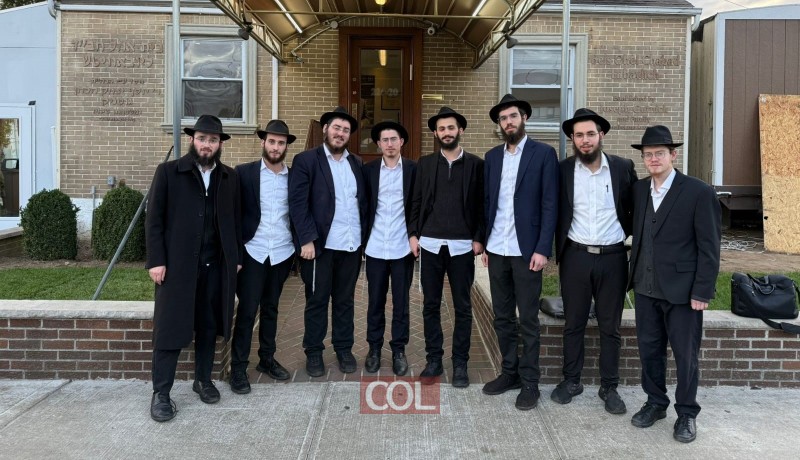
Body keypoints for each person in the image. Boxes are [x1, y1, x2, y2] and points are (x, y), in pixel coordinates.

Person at [627, 125, 721, 443]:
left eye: (659, 153)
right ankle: (655, 403)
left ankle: (686, 413)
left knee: (685, 355)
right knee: (649, 351)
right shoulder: (640, 190)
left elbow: (709, 247)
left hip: (684, 292)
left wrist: (702, 290)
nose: (653, 159)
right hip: (645, 287)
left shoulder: (698, 192)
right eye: (648, 154)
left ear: (673, 155)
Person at [145, 115, 242, 422]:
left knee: (208, 326)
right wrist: (156, 260)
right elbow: (154, 219)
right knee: (170, 329)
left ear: (220, 144)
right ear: (192, 140)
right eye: (202, 139)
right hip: (177, 269)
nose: (206, 145)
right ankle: (161, 393)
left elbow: (235, 221)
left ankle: (203, 380)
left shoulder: (229, 177)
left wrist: (235, 257)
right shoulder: (169, 172)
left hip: (215, 267)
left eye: (213, 140)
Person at [551, 108, 638, 414]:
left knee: (610, 327)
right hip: (575, 257)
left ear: (601, 135)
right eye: (579, 135)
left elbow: (635, 209)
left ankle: (609, 387)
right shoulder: (562, 170)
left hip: (613, 258)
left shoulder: (623, 168)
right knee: (573, 323)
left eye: (590, 134)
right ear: (572, 139)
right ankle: (571, 381)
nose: (585, 140)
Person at [480, 94, 558, 410]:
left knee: (527, 319)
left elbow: (550, 204)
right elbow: (488, 202)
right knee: (502, 317)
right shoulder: (492, 157)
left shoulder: (543, 154)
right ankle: (509, 373)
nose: (508, 122)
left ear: (524, 118)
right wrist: (485, 242)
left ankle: (530, 382)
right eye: (503, 119)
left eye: (513, 116)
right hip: (497, 248)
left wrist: (543, 249)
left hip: (527, 252)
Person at [408, 106, 484, 388]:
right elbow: (416, 201)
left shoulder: (476, 165)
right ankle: (434, 360)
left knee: (462, 307)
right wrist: (413, 234)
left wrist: (479, 237)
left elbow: (482, 205)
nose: (447, 132)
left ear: (460, 130)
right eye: (441, 129)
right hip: (430, 244)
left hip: (462, 247)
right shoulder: (426, 164)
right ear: (435, 133)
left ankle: (460, 363)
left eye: (451, 127)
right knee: (431, 305)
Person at [289, 107, 367, 377]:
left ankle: (344, 349)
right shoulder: (306, 160)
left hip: (351, 245)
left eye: (346, 130)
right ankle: (313, 351)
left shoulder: (356, 162)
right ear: (325, 129)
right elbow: (298, 204)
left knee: (345, 301)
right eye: (336, 128)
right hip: (319, 247)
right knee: (317, 301)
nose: (340, 133)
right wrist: (306, 239)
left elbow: (360, 203)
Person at [229, 120, 296, 394]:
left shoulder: (295, 177)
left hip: (282, 252)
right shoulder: (244, 173)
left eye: (281, 143)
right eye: (272, 142)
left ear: (286, 146)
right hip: (253, 252)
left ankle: (266, 359)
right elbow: (234, 216)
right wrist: (235, 254)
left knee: (271, 308)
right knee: (247, 311)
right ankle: (237, 368)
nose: (276, 147)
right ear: (263, 142)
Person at [362, 121, 417, 376]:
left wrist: (415, 235)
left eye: (394, 139)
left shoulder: (414, 170)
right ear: (378, 144)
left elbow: (418, 205)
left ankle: (398, 350)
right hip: (375, 246)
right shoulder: (368, 170)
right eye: (385, 140)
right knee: (375, 301)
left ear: (401, 142)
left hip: (402, 247)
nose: (390, 144)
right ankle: (374, 348)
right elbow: (363, 205)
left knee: (401, 303)